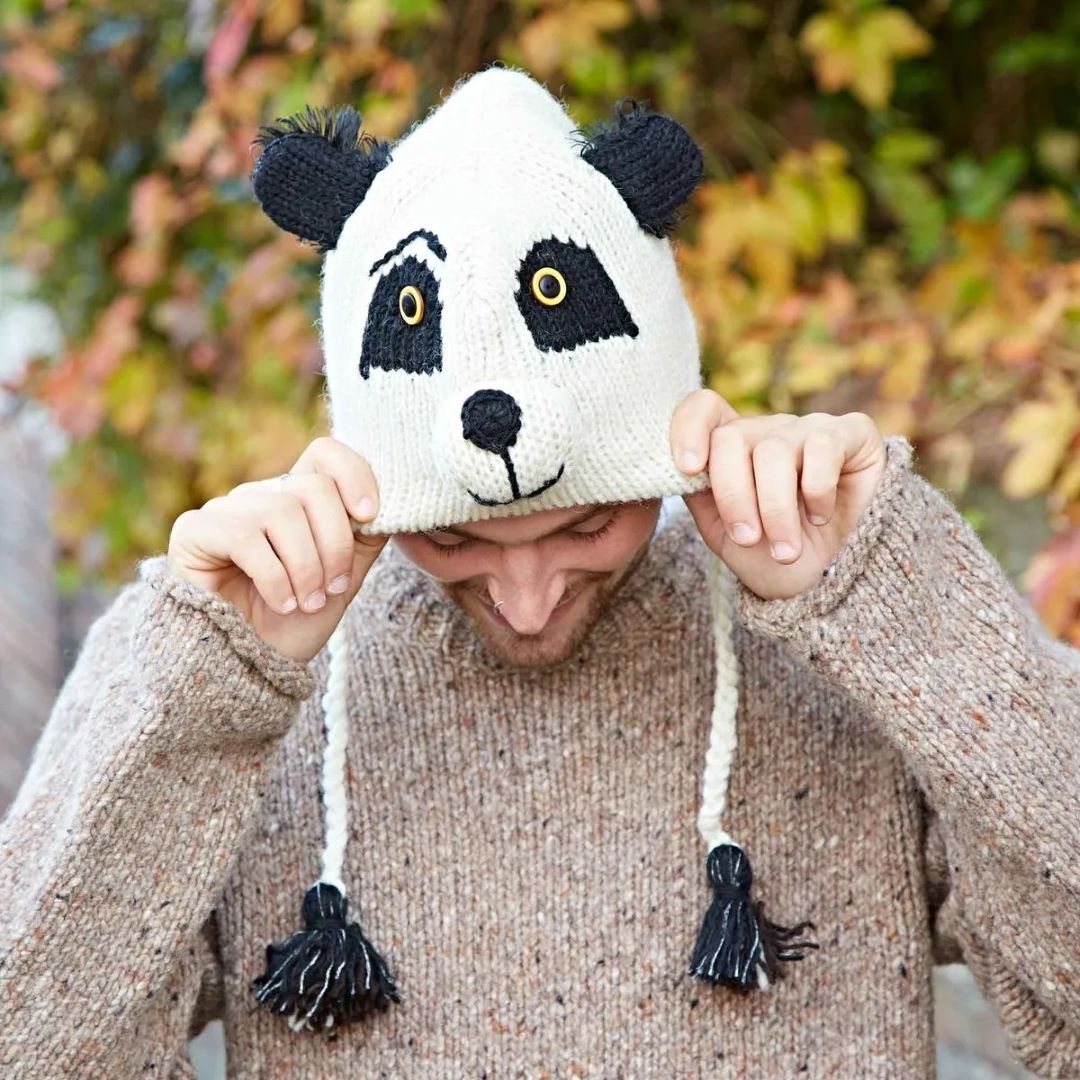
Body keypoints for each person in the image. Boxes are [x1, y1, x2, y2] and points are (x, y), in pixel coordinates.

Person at [2, 66, 1078, 1079]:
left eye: (587, 525)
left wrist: (905, 600)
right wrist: (184, 691)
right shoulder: (256, 696)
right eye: (460, 541)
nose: (525, 600)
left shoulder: (832, 644)